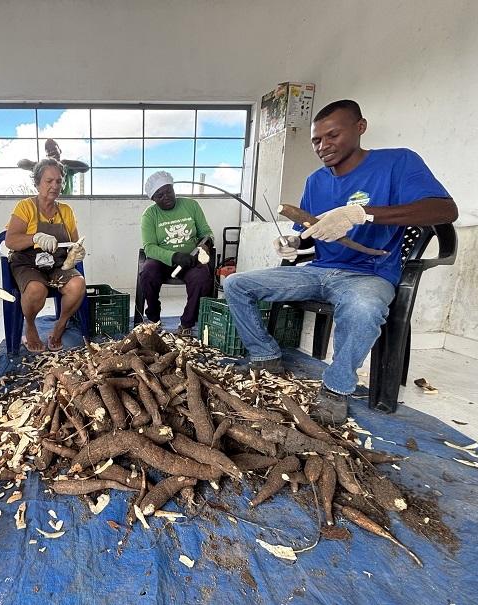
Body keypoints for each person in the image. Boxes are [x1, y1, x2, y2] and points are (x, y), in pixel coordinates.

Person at [222, 99, 457, 425]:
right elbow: (309, 234)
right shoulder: (315, 181)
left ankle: (336, 387)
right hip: (317, 271)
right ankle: (265, 354)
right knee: (236, 283)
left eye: (332, 135)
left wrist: (363, 213)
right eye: (316, 140)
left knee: (363, 307)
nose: (323, 146)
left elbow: (445, 210)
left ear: (360, 127)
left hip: (369, 275)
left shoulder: (397, 162)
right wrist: (293, 243)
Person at [4, 158, 87, 353]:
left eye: (59, 181)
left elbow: (74, 242)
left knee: (78, 284)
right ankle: (30, 325)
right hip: (28, 263)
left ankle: (60, 324)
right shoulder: (25, 207)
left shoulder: (66, 211)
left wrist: (76, 253)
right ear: (37, 183)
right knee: (36, 289)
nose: (55, 186)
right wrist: (35, 237)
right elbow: (11, 241)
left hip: (56, 264)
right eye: (49, 181)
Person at [140, 171, 214, 336]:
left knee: (201, 277)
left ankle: (187, 323)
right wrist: (174, 256)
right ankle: (153, 318)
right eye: (160, 195)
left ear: (173, 189)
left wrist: (205, 244)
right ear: (153, 199)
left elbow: (206, 233)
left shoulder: (191, 205)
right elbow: (149, 247)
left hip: (190, 260)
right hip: (162, 262)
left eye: (168, 191)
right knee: (148, 273)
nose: (166, 196)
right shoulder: (150, 215)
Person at [17, 139, 89, 195]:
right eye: (48, 151)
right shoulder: (43, 168)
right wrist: (37, 164)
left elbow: (86, 168)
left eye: (54, 150)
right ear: (47, 156)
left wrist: (65, 162)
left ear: (60, 150)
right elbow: (20, 164)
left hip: (67, 201)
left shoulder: (67, 167)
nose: (51, 152)